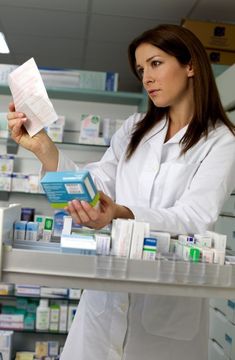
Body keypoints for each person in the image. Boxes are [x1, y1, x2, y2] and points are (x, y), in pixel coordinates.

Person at [7, 24, 235, 360]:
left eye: (155, 64)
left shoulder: (222, 141)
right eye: (141, 70)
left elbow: (195, 217)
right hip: (106, 299)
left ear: (190, 66)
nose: (146, 78)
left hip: (166, 310)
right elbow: (97, 183)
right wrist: (44, 148)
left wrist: (122, 213)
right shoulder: (133, 130)